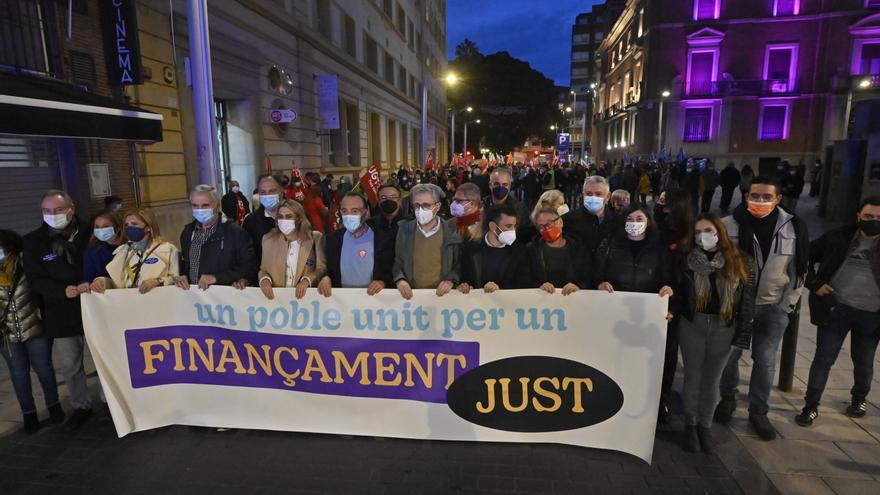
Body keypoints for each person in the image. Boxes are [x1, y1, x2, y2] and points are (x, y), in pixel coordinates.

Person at [715, 177, 809, 440]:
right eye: (754, 196)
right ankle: (728, 398)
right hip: (734, 305)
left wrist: (786, 305)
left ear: (778, 199)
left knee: (765, 360)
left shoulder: (793, 227)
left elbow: (799, 270)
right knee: (729, 357)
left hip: (772, 306)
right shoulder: (728, 224)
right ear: (746, 196)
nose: (759, 201)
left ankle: (758, 411)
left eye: (766, 197)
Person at [795, 197, 880, 426]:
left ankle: (859, 399)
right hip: (836, 309)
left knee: (864, 360)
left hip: (872, 315)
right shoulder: (838, 237)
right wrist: (815, 284)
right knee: (823, 359)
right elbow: (803, 255)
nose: (874, 221)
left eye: (879, 218)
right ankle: (811, 406)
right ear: (858, 216)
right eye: (869, 216)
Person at [677, 214, 756, 453]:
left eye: (708, 230)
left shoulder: (740, 260)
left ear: (720, 231)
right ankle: (690, 424)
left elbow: (747, 301)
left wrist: (741, 336)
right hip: (693, 323)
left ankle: (705, 425)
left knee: (712, 379)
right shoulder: (685, 259)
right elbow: (680, 293)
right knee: (692, 376)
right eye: (698, 232)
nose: (704, 236)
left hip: (724, 325)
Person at [22, 190, 93, 430]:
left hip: (95, 307)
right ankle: (81, 405)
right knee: (71, 365)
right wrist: (62, 291)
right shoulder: (33, 242)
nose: (52, 215)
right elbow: (35, 280)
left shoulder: (91, 231)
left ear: (71, 209)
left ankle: (111, 400)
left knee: (105, 359)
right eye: (47, 211)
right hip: (60, 311)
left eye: (58, 210)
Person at [0, 229, 64, 433]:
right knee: (18, 374)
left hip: (36, 328)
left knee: (44, 368)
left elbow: (42, 292)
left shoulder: (28, 266)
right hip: (6, 335)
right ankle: (29, 414)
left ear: (9, 248)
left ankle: (54, 406)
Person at [177, 185, 257, 291]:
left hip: (223, 299)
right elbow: (188, 265)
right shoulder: (188, 233)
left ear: (218, 205)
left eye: (205, 205)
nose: (200, 210)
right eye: (195, 205)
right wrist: (183, 276)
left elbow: (249, 267)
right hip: (195, 300)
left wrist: (216, 278)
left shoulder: (235, 233)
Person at [392, 183, 462, 300]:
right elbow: (398, 261)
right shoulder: (404, 230)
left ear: (437, 206)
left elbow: (459, 264)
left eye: (426, 205)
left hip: (442, 298)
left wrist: (451, 280)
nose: (420, 210)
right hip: (412, 297)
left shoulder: (452, 232)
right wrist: (400, 280)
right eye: (417, 205)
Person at [318, 193, 393, 297]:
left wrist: (382, 282)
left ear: (365, 213)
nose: (349, 216)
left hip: (373, 299)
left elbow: (389, 269)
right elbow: (329, 268)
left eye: (354, 211)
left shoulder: (381, 239)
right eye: (344, 211)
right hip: (342, 300)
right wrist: (326, 277)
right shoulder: (334, 239)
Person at [88, 209, 179, 294]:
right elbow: (119, 284)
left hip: (156, 301)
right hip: (129, 302)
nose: (129, 228)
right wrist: (102, 281)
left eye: (134, 224)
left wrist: (158, 281)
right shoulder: (123, 250)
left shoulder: (168, 249)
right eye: (127, 225)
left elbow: (177, 280)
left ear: (148, 227)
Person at [595, 205, 674, 300]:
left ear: (648, 222)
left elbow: (669, 281)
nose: (634, 223)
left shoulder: (659, 248)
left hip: (648, 304)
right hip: (614, 301)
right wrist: (599, 285)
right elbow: (596, 275)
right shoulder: (610, 245)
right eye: (629, 219)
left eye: (639, 219)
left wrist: (669, 291)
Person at [258, 199, 326, 300]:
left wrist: (307, 280)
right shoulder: (268, 239)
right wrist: (264, 280)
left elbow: (321, 269)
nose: (284, 220)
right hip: (277, 299)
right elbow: (263, 270)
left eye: (289, 216)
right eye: (280, 217)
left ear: (298, 219)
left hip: (305, 300)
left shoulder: (315, 238)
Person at [458, 203, 528, 293]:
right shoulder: (470, 249)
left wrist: (499, 290)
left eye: (515, 226)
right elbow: (464, 279)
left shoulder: (520, 251)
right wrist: (465, 286)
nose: (513, 231)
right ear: (493, 226)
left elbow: (524, 284)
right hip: (476, 305)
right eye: (509, 226)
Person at [524, 208, 591, 294]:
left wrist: (578, 286)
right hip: (542, 301)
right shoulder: (531, 250)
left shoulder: (579, 248)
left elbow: (588, 278)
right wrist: (539, 287)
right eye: (541, 227)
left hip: (572, 301)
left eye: (549, 224)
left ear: (560, 222)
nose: (546, 229)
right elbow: (524, 280)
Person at [562, 175, 618, 258]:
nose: (593, 197)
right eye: (589, 194)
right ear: (583, 194)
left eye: (598, 194)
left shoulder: (617, 222)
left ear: (608, 196)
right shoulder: (567, 220)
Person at [482, 167, 532, 239]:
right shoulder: (481, 207)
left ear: (509, 186)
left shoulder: (519, 208)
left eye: (505, 184)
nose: (501, 187)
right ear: (490, 185)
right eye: (496, 184)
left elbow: (525, 235)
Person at [242, 175, 284, 262]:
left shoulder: (297, 215)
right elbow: (247, 255)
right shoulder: (250, 222)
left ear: (281, 192)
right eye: (263, 192)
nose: (267, 195)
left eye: (272, 191)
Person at [80, 211, 124, 289]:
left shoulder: (131, 247)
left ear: (118, 227)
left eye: (106, 226)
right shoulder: (92, 253)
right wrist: (88, 285)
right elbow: (88, 279)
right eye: (97, 227)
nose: (101, 230)